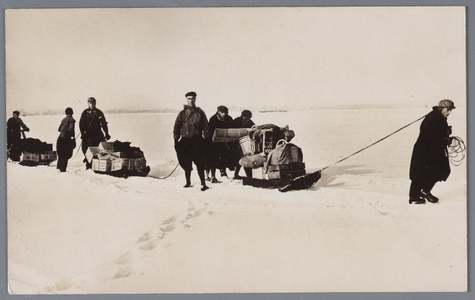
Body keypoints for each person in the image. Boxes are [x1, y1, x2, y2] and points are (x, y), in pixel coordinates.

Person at [409, 99, 455, 204]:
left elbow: (436, 134)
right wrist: (445, 139)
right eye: (448, 110)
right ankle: (415, 197)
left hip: (432, 151)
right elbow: (430, 137)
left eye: (450, 110)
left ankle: (424, 191)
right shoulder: (434, 118)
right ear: (441, 108)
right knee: (420, 173)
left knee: (441, 170)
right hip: (424, 151)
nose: (449, 112)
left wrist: (445, 134)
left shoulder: (438, 117)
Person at [173, 91, 209, 191]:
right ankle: (188, 182)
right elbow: (176, 127)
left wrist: (206, 138)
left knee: (200, 162)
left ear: (195, 99)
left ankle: (203, 183)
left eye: (193, 98)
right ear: (186, 100)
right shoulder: (182, 113)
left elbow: (206, 126)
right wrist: (176, 139)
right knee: (186, 162)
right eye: (189, 98)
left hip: (197, 141)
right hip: (185, 142)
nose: (191, 100)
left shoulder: (200, 112)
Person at [79, 97, 110, 169]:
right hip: (88, 134)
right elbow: (81, 124)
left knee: (101, 149)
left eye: (93, 103)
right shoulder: (85, 112)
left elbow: (104, 123)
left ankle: (99, 165)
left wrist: (107, 133)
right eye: (90, 103)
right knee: (85, 148)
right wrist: (82, 133)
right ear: (88, 104)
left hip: (97, 134)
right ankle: (88, 162)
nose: (92, 105)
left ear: (95, 103)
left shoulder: (99, 112)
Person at [206, 105, 234, 183]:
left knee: (225, 157)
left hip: (225, 142)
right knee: (213, 159)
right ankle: (211, 176)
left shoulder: (229, 118)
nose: (224, 114)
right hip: (214, 143)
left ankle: (223, 173)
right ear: (218, 112)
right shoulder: (213, 119)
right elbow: (210, 130)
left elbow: (232, 127)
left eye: (225, 112)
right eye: (222, 112)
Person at [231, 109, 255, 179]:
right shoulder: (236, 121)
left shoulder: (250, 122)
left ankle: (249, 176)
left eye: (249, 118)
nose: (248, 120)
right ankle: (238, 174)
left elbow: (254, 128)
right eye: (246, 118)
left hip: (245, 143)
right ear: (242, 117)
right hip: (236, 143)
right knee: (240, 159)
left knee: (245, 158)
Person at [56, 107, 76, 172]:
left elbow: (59, 129)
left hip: (60, 138)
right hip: (66, 139)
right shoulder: (71, 120)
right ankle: (63, 170)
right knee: (66, 155)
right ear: (72, 113)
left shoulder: (63, 119)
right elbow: (71, 130)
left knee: (61, 155)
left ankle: (58, 168)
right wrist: (73, 140)